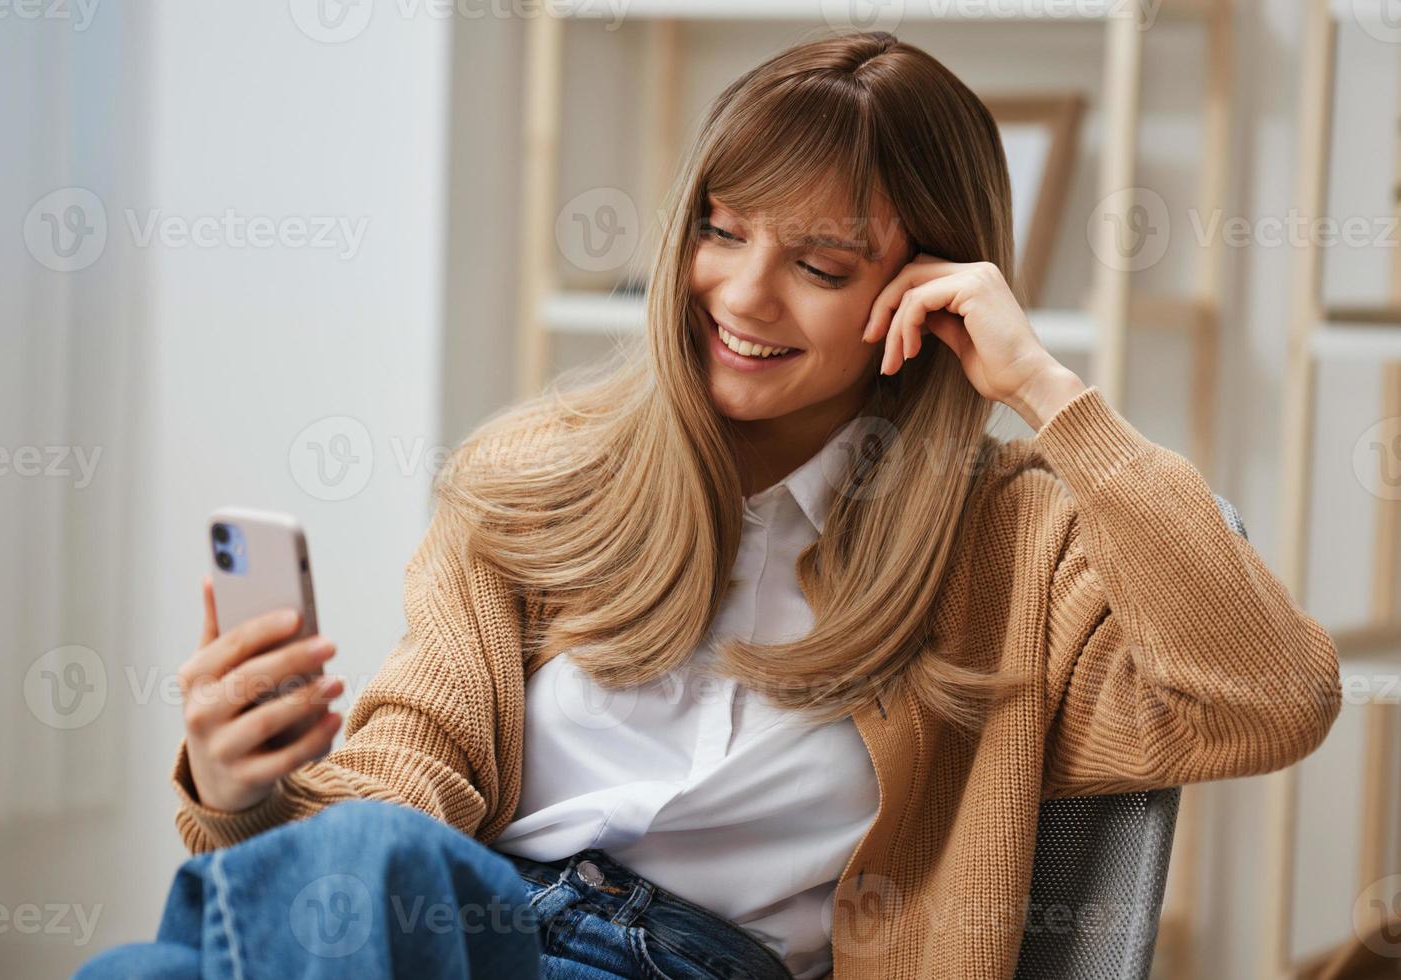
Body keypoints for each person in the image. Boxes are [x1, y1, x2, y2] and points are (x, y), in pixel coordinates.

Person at [74, 29, 1343, 980]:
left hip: (691, 963)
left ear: (933, 283)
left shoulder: (1011, 547)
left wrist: (1045, 389)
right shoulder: (541, 475)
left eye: (819, 264)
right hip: (467, 923)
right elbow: (408, 779)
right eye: (722, 232)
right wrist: (243, 792)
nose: (740, 295)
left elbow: (1267, 697)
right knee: (240, 925)